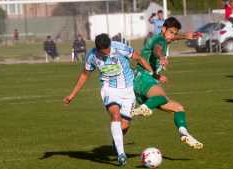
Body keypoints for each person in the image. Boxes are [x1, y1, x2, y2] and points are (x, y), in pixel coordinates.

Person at [63, 33, 153, 166]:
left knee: (125, 125)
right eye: (103, 51)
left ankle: (116, 141)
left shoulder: (120, 48)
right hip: (109, 90)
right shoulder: (92, 56)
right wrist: (72, 94)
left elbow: (138, 57)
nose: (107, 53)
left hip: (128, 90)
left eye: (108, 49)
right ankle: (121, 155)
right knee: (115, 115)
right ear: (98, 49)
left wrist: (151, 73)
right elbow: (84, 74)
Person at [132, 17, 204, 150]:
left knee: (178, 108)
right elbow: (157, 49)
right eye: (171, 32)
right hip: (142, 78)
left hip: (145, 80)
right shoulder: (160, 41)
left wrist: (184, 36)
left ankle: (184, 133)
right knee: (163, 97)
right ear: (163, 29)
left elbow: (169, 38)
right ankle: (144, 108)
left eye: (175, 33)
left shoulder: (164, 37)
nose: (173, 36)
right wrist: (162, 57)